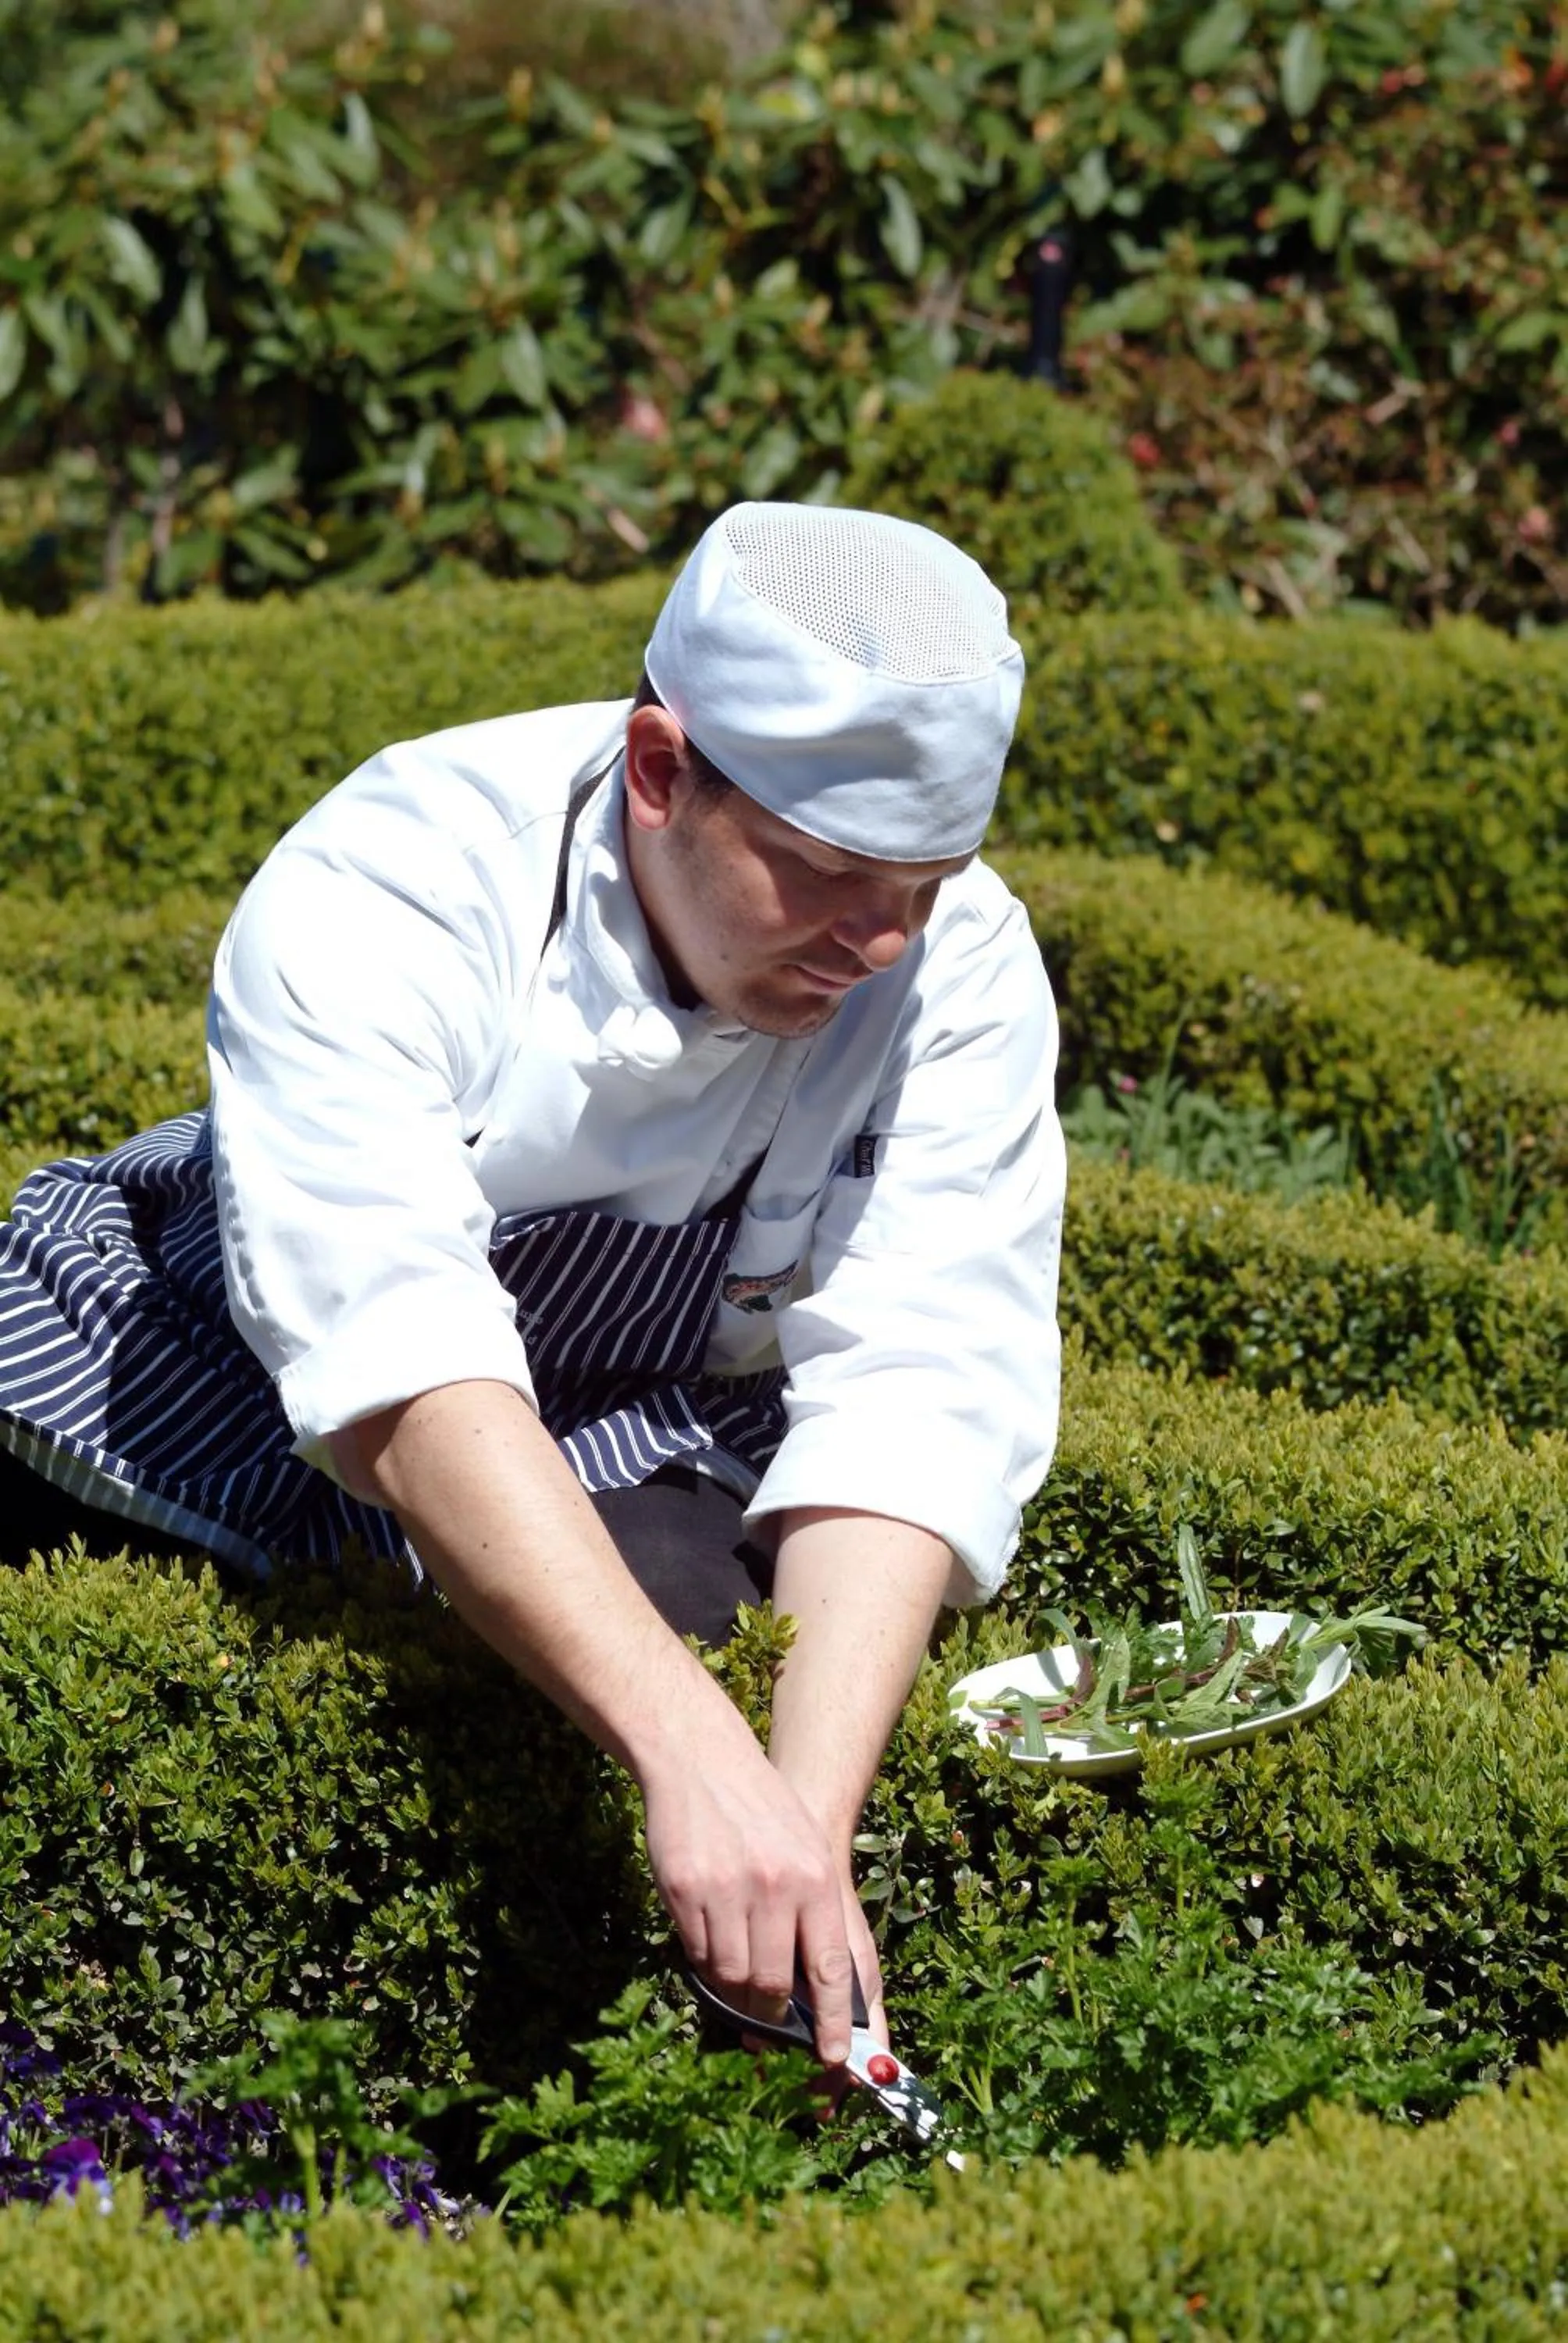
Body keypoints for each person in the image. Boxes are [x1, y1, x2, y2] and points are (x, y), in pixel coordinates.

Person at [0, 501, 1065, 2073]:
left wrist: (795, 1825)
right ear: (657, 773)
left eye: (925, 881)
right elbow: (396, 1342)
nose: (883, 946)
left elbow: (920, 1375)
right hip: (215, 1371)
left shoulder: (947, 959)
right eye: (827, 877)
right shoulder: (393, 881)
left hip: (616, 1421)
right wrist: (688, 1750)